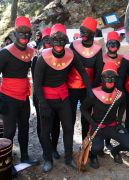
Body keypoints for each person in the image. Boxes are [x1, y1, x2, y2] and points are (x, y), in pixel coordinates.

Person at [34, 24, 90, 172]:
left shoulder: (71, 54)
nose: (59, 44)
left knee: (68, 127)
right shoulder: (42, 58)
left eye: (62, 40)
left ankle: (68, 157)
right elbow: (37, 84)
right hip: (47, 98)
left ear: (66, 41)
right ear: (51, 41)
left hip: (63, 97)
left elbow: (83, 72)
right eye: (55, 40)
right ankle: (47, 159)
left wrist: (90, 91)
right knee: (46, 131)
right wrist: (42, 103)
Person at [0, 16, 39, 177]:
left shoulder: (31, 52)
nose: (25, 36)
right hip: (8, 97)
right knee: (9, 131)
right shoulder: (4, 53)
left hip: (24, 97)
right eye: (21, 33)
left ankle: (24, 156)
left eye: (28, 34)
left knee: (24, 128)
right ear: (15, 33)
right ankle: (7, 162)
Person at [81, 61, 129, 169]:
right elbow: (83, 108)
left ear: (116, 79)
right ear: (102, 78)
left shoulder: (120, 94)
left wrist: (119, 122)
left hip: (113, 126)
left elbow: (123, 106)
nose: (109, 80)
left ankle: (114, 151)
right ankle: (93, 155)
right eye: (107, 77)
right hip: (98, 127)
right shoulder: (94, 94)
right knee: (97, 148)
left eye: (112, 77)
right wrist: (92, 124)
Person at [68, 17, 103, 140]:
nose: (82, 34)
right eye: (81, 31)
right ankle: (69, 145)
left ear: (92, 34)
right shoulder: (73, 45)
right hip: (71, 87)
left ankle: (85, 143)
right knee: (70, 117)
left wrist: (92, 89)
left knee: (86, 117)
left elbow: (98, 72)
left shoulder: (98, 49)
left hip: (88, 89)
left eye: (85, 32)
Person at [31, 27, 61, 159]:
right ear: (42, 41)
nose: (48, 42)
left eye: (51, 39)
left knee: (56, 122)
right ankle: (46, 149)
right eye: (46, 39)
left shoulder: (61, 57)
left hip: (56, 96)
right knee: (42, 123)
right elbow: (36, 80)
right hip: (40, 95)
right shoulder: (37, 58)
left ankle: (54, 148)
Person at [103, 31, 123, 149]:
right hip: (104, 91)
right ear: (106, 45)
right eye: (110, 43)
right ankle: (102, 138)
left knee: (113, 115)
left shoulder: (122, 59)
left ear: (118, 45)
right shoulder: (102, 58)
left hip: (117, 91)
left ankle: (109, 140)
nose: (112, 45)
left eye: (115, 43)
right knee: (105, 114)